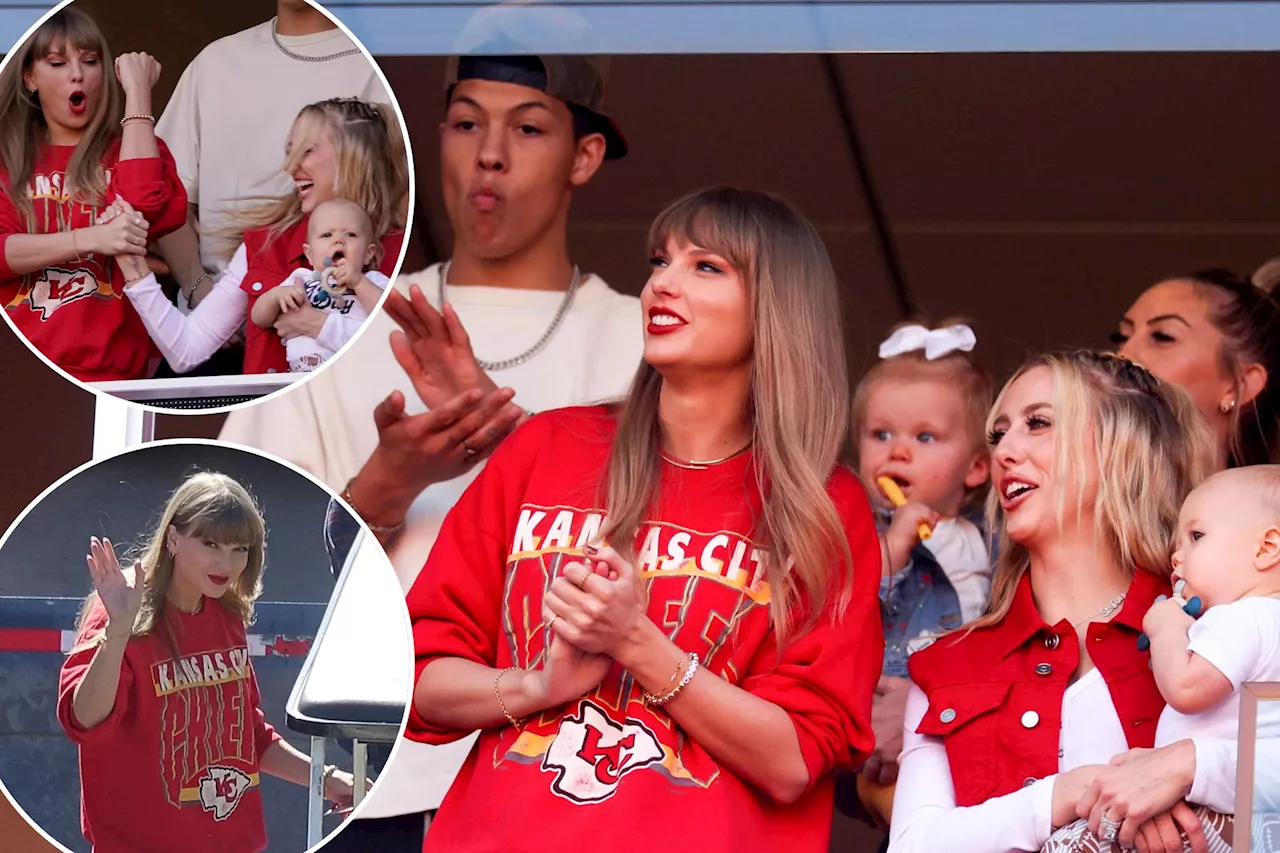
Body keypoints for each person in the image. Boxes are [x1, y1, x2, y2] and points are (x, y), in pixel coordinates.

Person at [217, 54, 642, 850]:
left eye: (527, 126)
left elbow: (683, 563)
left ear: (584, 155)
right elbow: (229, 573)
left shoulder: (643, 338)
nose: (490, 153)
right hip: (358, 780)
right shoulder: (335, 324)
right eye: (467, 122)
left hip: (566, 777)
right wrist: (383, 488)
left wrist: (514, 441)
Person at [404, 186, 883, 852]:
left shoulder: (825, 506)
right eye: (661, 261)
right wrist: (539, 683)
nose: (662, 284)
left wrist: (638, 643)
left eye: (705, 266)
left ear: (776, 305)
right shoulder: (546, 448)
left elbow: (796, 758)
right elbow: (420, 681)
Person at [887, 351, 1234, 853]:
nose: (1005, 449)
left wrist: (1189, 768)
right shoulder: (943, 663)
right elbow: (914, 846)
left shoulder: (1218, 625)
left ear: (1124, 447)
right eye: (999, 433)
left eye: (1039, 423)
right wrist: (1068, 793)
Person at [56, 472, 363, 853]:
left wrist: (330, 779)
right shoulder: (120, 612)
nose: (226, 562)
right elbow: (83, 721)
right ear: (173, 538)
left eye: (240, 548)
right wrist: (118, 631)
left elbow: (247, 736)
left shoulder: (226, 614)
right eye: (211, 543)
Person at [1042, 465, 1280, 852]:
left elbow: (1186, 688)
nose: (1176, 556)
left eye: (1196, 536)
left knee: (1069, 843)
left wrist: (1167, 630)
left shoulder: (1241, 617)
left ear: (1266, 548)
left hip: (1209, 811)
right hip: (1250, 812)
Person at [117, 96, 407, 375]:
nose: (290, 167)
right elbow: (187, 349)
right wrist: (134, 270)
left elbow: (414, 358)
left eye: (306, 150)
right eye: (290, 152)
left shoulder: (404, 250)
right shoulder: (265, 244)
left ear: (352, 158)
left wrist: (318, 324)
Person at [841, 319, 995, 830]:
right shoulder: (855, 531)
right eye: (880, 434)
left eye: (925, 436)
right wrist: (894, 547)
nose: (897, 450)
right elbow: (844, 607)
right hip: (878, 726)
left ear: (976, 467)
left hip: (961, 729)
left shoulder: (993, 540)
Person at [0, 7, 185, 382]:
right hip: (22, 367)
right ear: (30, 77)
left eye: (90, 60)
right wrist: (92, 238)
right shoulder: (8, 160)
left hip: (113, 369)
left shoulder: (135, 149)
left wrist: (137, 94)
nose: (77, 73)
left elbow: (144, 205)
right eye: (57, 62)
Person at [155, 0, 390, 292]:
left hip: (331, 314)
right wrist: (198, 290)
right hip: (216, 311)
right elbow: (165, 195)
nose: (289, 166)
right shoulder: (216, 62)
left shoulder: (382, 68)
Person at [1114, 269, 1280, 470]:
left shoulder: (1248, 500)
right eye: (1121, 338)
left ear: (1240, 385)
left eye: (1163, 336)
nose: (1121, 355)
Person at [247, 197, 387, 372]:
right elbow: (259, 318)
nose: (338, 241)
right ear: (310, 254)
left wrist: (358, 282)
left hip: (357, 370)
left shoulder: (373, 280)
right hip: (304, 373)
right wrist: (275, 296)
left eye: (350, 234)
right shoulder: (301, 278)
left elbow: (388, 316)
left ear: (368, 253)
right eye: (327, 235)